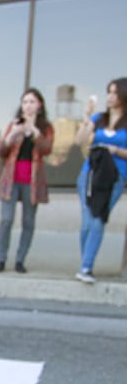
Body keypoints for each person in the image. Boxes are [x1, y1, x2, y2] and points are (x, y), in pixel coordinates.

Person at [0, 89, 54, 274]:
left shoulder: (46, 127)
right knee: (6, 219)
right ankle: (1, 259)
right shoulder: (14, 125)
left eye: (32, 102)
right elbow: (1, 151)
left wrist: (34, 131)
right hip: (11, 178)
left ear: (39, 105)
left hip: (32, 180)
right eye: (25, 102)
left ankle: (20, 260)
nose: (28, 106)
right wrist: (13, 134)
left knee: (28, 221)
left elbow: (46, 149)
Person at [73, 77, 127, 284]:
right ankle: (85, 265)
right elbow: (79, 141)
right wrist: (87, 118)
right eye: (109, 92)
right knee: (87, 222)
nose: (110, 96)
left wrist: (115, 150)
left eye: (115, 92)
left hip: (115, 177)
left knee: (98, 219)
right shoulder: (98, 118)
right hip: (90, 174)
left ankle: (85, 267)